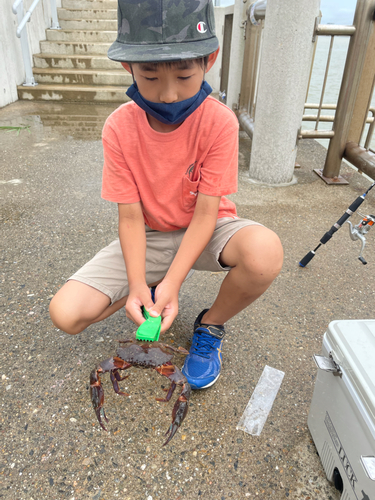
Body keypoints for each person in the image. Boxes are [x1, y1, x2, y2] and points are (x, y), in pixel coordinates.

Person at [49, 0, 283, 390]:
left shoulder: (219, 121)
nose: (169, 94)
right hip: (153, 233)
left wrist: (173, 283)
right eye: (151, 76)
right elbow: (129, 217)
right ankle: (145, 297)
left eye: (184, 74)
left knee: (265, 253)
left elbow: (207, 215)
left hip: (210, 228)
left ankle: (209, 327)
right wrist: (138, 283)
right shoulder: (119, 128)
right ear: (129, 67)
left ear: (209, 59)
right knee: (66, 314)